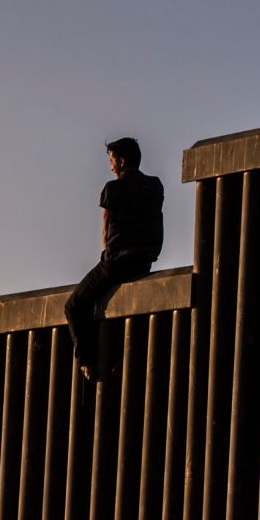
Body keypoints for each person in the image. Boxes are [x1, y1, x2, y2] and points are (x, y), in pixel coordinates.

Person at [65, 137, 164, 381]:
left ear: (121, 161)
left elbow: (106, 227)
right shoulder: (154, 186)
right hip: (144, 261)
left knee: (74, 306)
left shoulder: (113, 188)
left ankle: (86, 362)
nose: (111, 167)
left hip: (117, 262)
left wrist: (107, 255)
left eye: (111, 161)